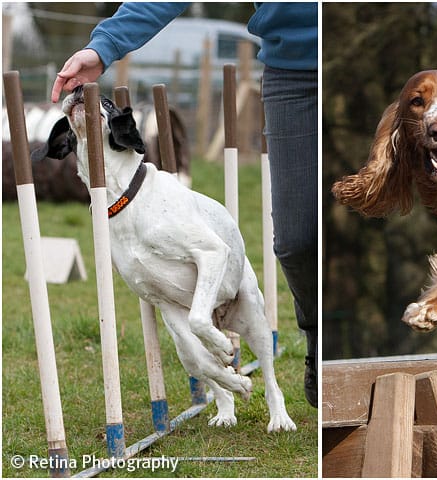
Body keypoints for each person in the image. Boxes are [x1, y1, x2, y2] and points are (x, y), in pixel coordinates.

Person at [52, 2, 318, 408]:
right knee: (296, 241)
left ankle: (307, 361)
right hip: (293, 71)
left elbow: (213, 251)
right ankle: (317, 332)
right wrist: (104, 45)